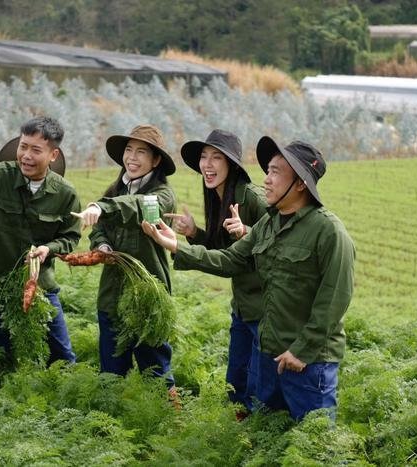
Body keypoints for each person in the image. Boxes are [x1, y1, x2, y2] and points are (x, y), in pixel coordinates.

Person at [142, 137, 355, 420]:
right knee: (267, 435)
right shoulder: (269, 223)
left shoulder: (328, 231)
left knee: (315, 446)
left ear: (301, 183)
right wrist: (176, 245)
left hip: (307, 362)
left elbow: (334, 299)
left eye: (276, 172)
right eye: (267, 171)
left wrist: (300, 352)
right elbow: (229, 259)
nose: (266, 180)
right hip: (269, 354)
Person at [0, 116, 80, 365]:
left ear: (53, 155)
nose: (26, 155)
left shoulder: (66, 194)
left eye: (35, 150)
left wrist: (48, 249)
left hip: (39, 285)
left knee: (61, 356)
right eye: (23, 146)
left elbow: (70, 237)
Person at [71, 124, 177, 388]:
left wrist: (101, 207)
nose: (132, 157)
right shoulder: (115, 191)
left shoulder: (162, 196)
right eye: (129, 150)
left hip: (148, 298)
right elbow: (100, 230)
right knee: (111, 373)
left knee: (156, 373)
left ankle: (169, 422)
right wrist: (103, 246)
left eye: (141, 152)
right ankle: (111, 422)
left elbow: (139, 207)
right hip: (112, 296)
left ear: (156, 160)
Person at [167, 129, 267, 410]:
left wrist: (247, 230)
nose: (207, 165)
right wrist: (194, 232)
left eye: (216, 158)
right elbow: (220, 251)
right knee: (236, 384)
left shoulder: (253, 198)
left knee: (258, 389)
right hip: (243, 306)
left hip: (266, 309)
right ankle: (238, 441)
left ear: (232, 164)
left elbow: (280, 239)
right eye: (203, 157)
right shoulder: (219, 197)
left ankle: (257, 444)